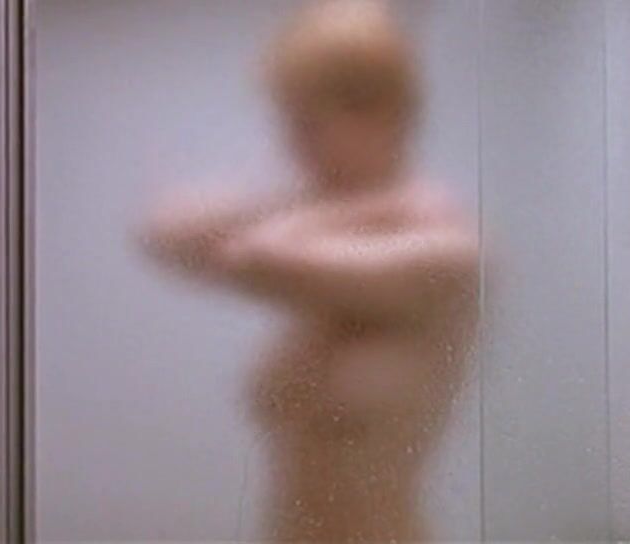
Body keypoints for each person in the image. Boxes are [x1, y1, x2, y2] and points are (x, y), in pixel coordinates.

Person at [142, 1, 478, 541]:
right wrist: (337, 204)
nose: (291, 146)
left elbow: (258, 261)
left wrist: (350, 206)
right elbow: (165, 230)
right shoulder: (330, 224)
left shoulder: (443, 249)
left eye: (305, 125)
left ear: (381, 113)